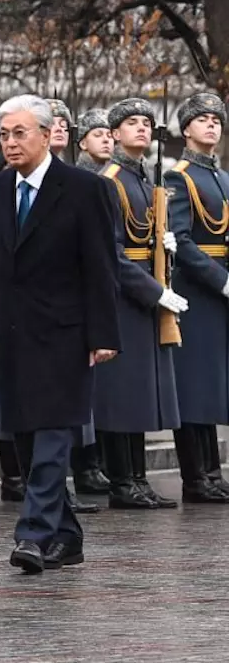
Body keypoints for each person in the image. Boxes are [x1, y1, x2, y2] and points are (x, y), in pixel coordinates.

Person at [0, 94, 119, 574]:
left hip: (65, 334)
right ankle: (68, 537)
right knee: (27, 441)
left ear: (46, 132)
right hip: (12, 334)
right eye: (5, 135)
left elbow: (100, 267)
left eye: (20, 133)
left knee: (54, 436)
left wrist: (103, 332)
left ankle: (32, 534)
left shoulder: (82, 189)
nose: (11, 143)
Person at [93, 98, 184, 509]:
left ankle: (138, 478)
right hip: (121, 296)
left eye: (147, 123)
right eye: (131, 123)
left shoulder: (145, 180)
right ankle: (121, 481)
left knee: (139, 393)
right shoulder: (108, 181)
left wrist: (165, 249)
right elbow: (109, 253)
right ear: (114, 134)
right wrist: (153, 290)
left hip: (142, 291)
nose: (142, 130)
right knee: (120, 393)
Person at [165, 92, 229, 503]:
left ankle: (212, 471)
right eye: (202, 119)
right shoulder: (179, 177)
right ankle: (195, 477)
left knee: (214, 383)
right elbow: (182, 242)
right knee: (194, 384)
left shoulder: (223, 178)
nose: (211, 125)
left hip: (219, 287)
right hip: (198, 289)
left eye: (217, 120)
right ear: (186, 129)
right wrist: (220, 280)